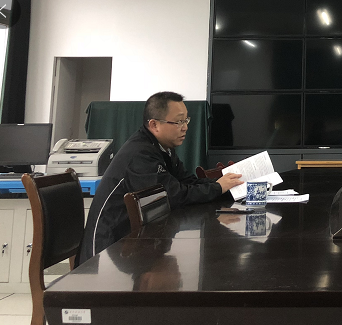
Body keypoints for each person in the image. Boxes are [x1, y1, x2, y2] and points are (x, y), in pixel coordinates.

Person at [78, 91, 244, 265]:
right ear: (154, 125)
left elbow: (188, 181)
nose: (185, 127)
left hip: (136, 241)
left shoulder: (163, 148)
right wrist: (218, 187)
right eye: (179, 122)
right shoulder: (140, 154)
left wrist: (228, 186)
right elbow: (174, 195)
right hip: (108, 249)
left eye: (186, 120)